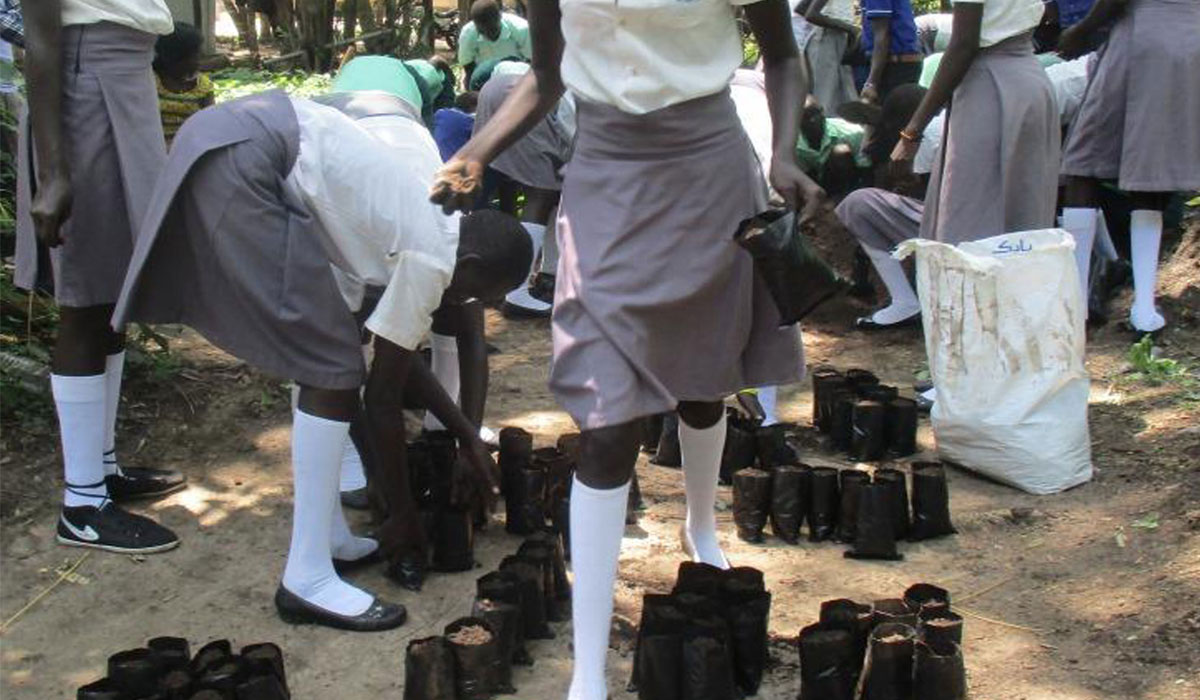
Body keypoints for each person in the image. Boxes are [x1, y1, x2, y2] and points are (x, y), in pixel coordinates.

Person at [430, 0, 822, 696]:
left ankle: (700, 527)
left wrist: (784, 152)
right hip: (606, 176)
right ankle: (588, 675)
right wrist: (474, 151)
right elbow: (547, 75)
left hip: (712, 169)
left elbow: (784, 56)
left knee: (704, 385)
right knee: (607, 426)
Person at [113, 90, 532, 630]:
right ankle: (306, 578)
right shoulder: (433, 257)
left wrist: (467, 436)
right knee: (332, 366)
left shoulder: (428, 231)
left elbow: (399, 366)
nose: (479, 305)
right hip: (250, 154)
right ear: (471, 265)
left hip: (238, 134)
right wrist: (403, 516)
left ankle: (328, 536)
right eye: (486, 293)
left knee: (329, 351)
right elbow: (382, 399)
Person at [16, 0, 185, 555]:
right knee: (87, 297)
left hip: (124, 83)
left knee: (115, 293)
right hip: (84, 95)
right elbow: (41, 41)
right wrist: (56, 171)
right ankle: (82, 504)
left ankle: (102, 470)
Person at [1057, 0, 1200, 333]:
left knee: (1084, 162)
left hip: (1142, 40)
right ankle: (1144, 309)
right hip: (1188, 39)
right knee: (1152, 170)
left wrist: (1081, 29)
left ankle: (1075, 305)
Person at [892, 0, 1059, 246]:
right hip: (1029, 82)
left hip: (990, 89)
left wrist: (911, 133)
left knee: (970, 231)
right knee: (1023, 220)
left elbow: (964, 45)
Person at [473, 60, 575, 318]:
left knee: (553, 190)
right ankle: (516, 292)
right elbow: (571, 129)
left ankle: (546, 276)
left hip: (497, 89)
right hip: (522, 93)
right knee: (544, 192)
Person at [153, 22, 215, 148]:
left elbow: (210, 124)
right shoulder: (151, 81)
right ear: (176, 57)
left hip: (190, 150)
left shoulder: (203, 87)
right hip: (156, 151)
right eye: (195, 53)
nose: (200, 57)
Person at [797, 95, 870, 197]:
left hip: (853, 182)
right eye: (805, 116)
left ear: (822, 112)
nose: (812, 120)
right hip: (821, 184)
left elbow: (866, 169)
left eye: (815, 113)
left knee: (840, 152)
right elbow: (805, 176)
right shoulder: (794, 143)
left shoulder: (851, 131)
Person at [457, 0, 531, 90]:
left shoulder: (521, 29)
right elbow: (468, 66)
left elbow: (530, 62)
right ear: (475, 25)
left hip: (516, 78)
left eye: (492, 30)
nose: (488, 35)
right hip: (484, 79)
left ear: (500, 17)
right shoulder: (468, 33)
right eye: (482, 31)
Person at [859, 0, 923, 103]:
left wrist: (871, 83)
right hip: (903, 63)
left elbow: (882, 35)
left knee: (888, 116)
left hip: (893, 67)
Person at [802, 0, 860, 111]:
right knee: (825, 98)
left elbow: (801, 8)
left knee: (845, 97)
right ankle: (819, 127)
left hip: (838, 35)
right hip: (828, 37)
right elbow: (811, 14)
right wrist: (850, 29)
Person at [434, 91, 479, 162]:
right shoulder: (469, 122)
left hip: (435, 157)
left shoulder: (441, 113)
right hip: (452, 163)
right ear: (474, 107)